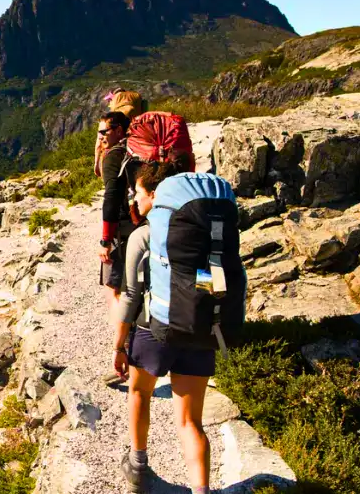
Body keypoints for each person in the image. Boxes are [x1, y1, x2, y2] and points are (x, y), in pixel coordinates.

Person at [111, 160, 213, 494]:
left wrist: (119, 345)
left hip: (153, 329)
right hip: (198, 330)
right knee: (190, 422)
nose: (134, 200)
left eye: (138, 192)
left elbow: (130, 295)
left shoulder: (144, 235)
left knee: (141, 392)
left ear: (155, 194)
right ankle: (202, 491)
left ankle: (138, 467)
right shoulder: (206, 234)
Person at [97, 111, 135, 310]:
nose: (101, 136)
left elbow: (111, 198)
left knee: (114, 285)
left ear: (119, 130)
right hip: (145, 222)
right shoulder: (136, 149)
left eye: (105, 131)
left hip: (123, 227)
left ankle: (123, 338)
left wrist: (105, 240)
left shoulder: (114, 156)